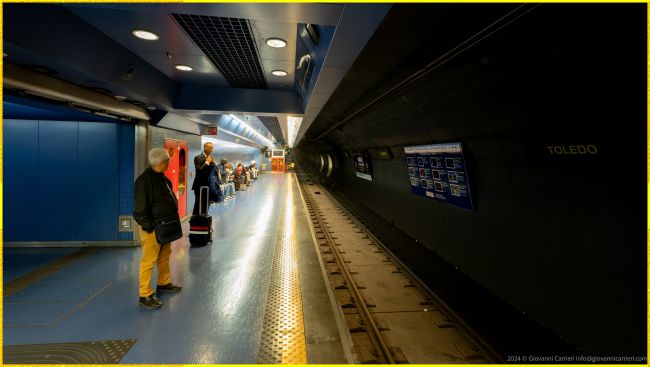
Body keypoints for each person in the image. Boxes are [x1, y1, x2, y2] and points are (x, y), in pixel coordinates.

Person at [133, 148, 183, 309]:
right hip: (153, 229)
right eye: (168, 160)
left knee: (164, 256)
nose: (170, 162)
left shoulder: (162, 179)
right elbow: (140, 209)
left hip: (165, 226)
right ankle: (145, 294)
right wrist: (149, 228)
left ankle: (163, 282)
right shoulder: (144, 181)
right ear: (162, 162)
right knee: (148, 261)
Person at [192, 142, 216, 214]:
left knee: (207, 203)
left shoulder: (211, 158)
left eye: (212, 148)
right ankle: (196, 221)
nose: (212, 149)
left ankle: (205, 218)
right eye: (210, 148)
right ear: (205, 148)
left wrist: (214, 165)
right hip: (199, 185)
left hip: (208, 185)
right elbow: (199, 171)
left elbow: (212, 172)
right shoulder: (198, 157)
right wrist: (207, 162)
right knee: (199, 203)